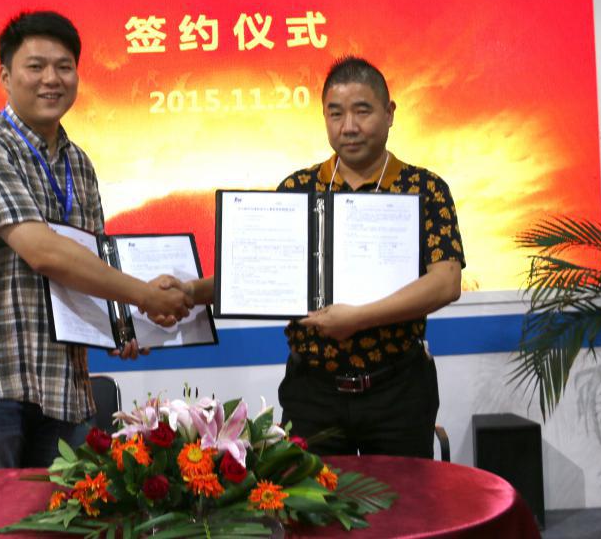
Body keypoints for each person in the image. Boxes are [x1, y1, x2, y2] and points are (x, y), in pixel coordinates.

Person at [0, 10, 193, 474]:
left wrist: (125, 325)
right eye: (35, 66)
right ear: (5, 76)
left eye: (64, 66)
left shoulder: (80, 165)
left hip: (65, 385)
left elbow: (91, 261)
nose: (51, 79)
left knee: (71, 510)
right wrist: (142, 295)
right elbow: (43, 253)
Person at [181, 56, 464, 457]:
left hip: (397, 390)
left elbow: (446, 282)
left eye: (362, 111)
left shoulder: (424, 188)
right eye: (336, 113)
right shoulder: (299, 188)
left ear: (389, 113)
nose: (349, 126)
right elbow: (258, 273)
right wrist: (189, 292)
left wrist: (358, 318)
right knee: (310, 495)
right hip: (313, 391)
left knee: (401, 495)